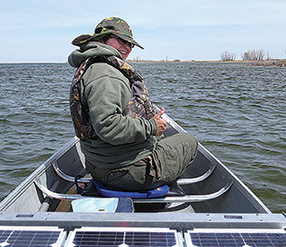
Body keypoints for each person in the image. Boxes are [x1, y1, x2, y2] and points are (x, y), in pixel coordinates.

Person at [68, 17, 197, 191]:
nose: (127, 47)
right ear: (101, 40)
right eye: (120, 40)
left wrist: (152, 128)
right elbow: (108, 126)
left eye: (130, 44)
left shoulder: (92, 65)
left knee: (159, 138)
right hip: (122, 172)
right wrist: (151, 126)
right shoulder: (106, 74)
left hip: (97, 165)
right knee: (189, 141)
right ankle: (157, 188)